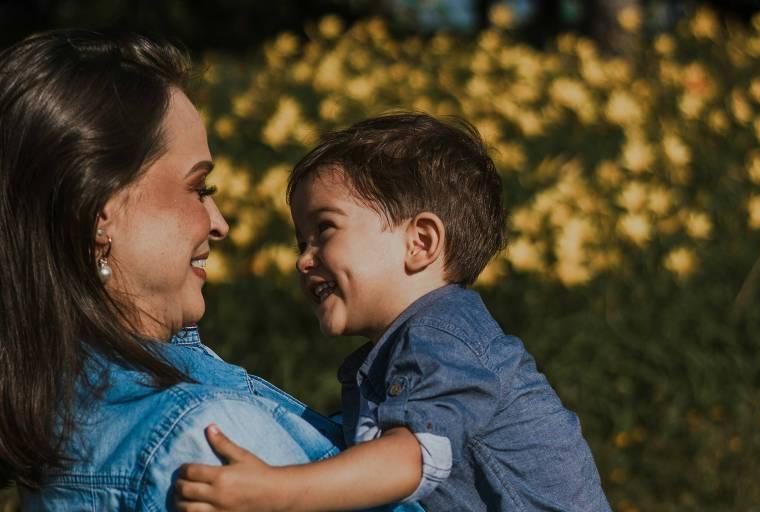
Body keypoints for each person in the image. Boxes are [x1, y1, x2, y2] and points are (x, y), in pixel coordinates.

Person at [0, 29, 418, 512]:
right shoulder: (206, 438)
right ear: (100, 212)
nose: (219, 224)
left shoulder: (67, 419)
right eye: (199, 188)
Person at [175, 113, 611, 511]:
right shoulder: (411, 345)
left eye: (324, 230)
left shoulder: (441, 335)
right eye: (300, 242)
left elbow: (408, 460)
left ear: (419, 243)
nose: (303, 260)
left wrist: (276, 491)